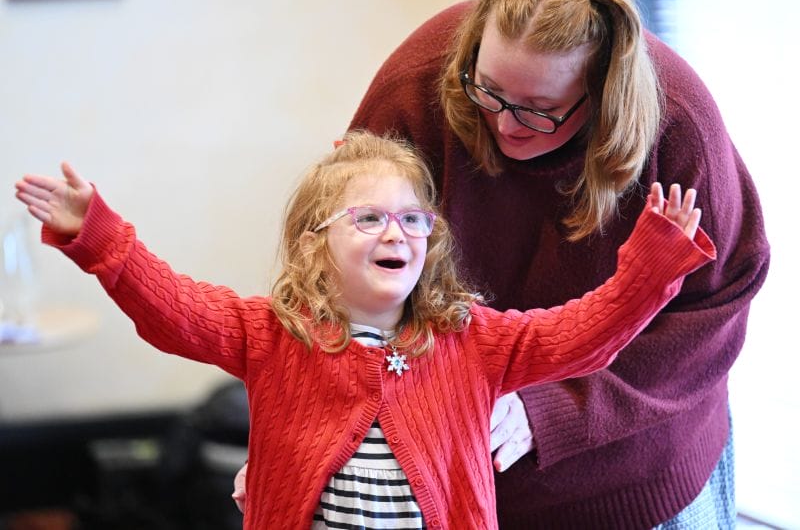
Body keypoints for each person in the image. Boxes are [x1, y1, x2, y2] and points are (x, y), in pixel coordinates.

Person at [232, 0, 771, 528]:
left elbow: (713, 312)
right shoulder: (416, 85)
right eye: (488, 92)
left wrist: (556, 405)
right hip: (452, 483)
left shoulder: (679, 124)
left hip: (636, 474)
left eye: (539, 109)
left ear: (603, 91)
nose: (505, 124)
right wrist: (299, 436)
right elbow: (337, 270)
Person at [14, 130, 713, 529]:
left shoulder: (472, 339)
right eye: (369, 217)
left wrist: (650, 268)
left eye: (413, 218)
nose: (397, 231)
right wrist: (101, 238)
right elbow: (173, 306)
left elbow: (584, 331)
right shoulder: (274, 333)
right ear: (317, 245)